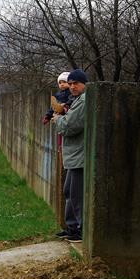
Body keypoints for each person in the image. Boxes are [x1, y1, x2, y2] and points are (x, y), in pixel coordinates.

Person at [52, 69, 87, 243]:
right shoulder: (76, 100)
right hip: (74, 155)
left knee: (76, 194)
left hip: (79, 156)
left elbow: (69, 126)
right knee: (69, 192)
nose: (72, 87)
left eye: (76, 83)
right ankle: (72, 228)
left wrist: (57, 119)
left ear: (84, 84)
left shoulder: (83, 101)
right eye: (70, 83)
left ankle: (81, 231)